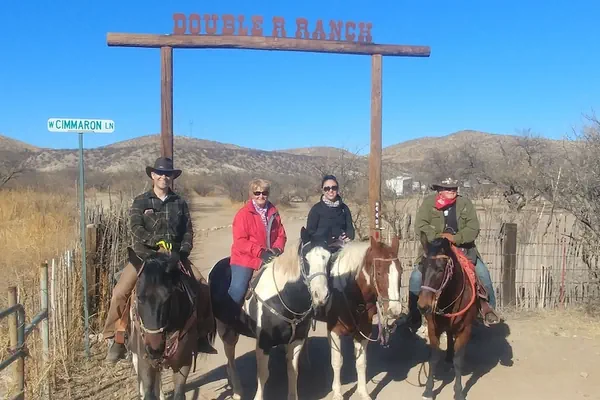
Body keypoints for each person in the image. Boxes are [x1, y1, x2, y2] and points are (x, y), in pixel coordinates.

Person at [102, 157, 217, 364]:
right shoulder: (141, 201)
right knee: (120, 292)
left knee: (203, 287)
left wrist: (182, 252)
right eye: (160, 173)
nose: (164, 177)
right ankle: (115, 338)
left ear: (172, 177)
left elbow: (188, 231)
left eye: (168, 174)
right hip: (145, 259)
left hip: (173, 258)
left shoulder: (179, 202)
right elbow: (135, 228)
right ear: (153, 175)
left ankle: (201, 334)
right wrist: (157, 241)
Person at [405, 177, 499, 332]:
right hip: (435, 250)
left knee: (483, 274)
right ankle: (414, 315)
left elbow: (473, 228)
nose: (451, 191)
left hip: (463, 249)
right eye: (447, 188)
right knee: (416, 278)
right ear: (439, 190)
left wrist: (456, 238)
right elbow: (420, 226)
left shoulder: (465, 204)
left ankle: (487, 309)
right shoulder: (429, 203)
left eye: (454, 188)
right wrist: (439, 237)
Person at [229, 178, 287, 305]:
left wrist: (277, 249)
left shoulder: (273, 212)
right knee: (238, 290)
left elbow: (281, 235)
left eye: (264, 193)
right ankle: (230, 315)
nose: (261, 196)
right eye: (257, 193)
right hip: (246, 259)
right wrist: (260, 253)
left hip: (270, 256)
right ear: (251, 194)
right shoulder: (243, 214)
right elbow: (240, 241)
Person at [306, 174, 355, 254]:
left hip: (341, 249)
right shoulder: (316, 209)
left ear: (337, 189)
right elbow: (310, 233)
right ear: (323, 190)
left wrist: (348, 236)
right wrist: (324, 239)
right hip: (320, 250)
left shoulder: (344, 208)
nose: (330, 191)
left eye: (334, 188)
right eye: (327, 188)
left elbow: (350, 230)